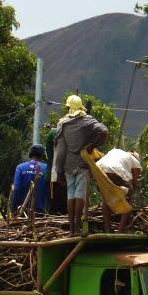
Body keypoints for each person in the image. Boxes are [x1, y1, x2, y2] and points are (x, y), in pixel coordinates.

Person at [52, 95, 108, 235]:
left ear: (69, 107)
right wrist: (91, 145)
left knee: (70, 195)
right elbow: (104, 131)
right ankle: (78, 227)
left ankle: (71, 228)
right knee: (80, 195)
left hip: (68, 166)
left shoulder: (63, 124)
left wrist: (58, 170)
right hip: (82, 163)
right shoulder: (87, 121)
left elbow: (61, 150)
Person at [95, 148, 143, 232]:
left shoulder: (115, 152)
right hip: (115, 171)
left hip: (99, 170)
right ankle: (120, 230)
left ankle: (108, 229)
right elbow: (134, 183)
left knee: (106, 199)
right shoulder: (135, 160)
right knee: (129, 199)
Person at [9, 144, 50, 215]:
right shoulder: (47, 168)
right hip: (40, 211)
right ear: (42, 155)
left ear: (30, 154)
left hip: (23, 210)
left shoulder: (20, 167)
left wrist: (14, 208)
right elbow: (50, 190)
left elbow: (17, 189)